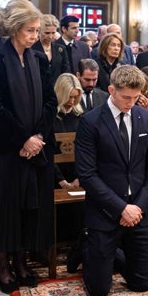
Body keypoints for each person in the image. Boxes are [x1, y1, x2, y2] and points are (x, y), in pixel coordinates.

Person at [0, 0, 57, 294]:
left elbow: (50, 101)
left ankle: (22, 260)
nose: (35, 36)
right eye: (30, 30)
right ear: (13, 29)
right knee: (5, 206)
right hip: (5, 147)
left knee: (29, 206)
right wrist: (23, 138)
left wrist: (37, 138)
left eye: (37, 31)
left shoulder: (38, 58)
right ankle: (3, 263)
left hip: (37, 146)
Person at [74, 65, 148, 296]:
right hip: (104, 212)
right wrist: (121, 208)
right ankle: (88, 249)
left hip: (139, 211)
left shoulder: (147, 118)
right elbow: (87, 175)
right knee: (99, 290)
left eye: (136, 97)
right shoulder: (90, 121)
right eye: (126, 97)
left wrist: (138, 207)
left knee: (142, 284)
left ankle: (112, 255)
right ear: (112, 90)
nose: (131, 102)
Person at [52, 73, 84, 273]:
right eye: (69, 97)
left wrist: (81, 176)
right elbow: (49, 152)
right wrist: (61, 180)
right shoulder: (49, 116)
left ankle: (79, 247)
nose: (72, 101)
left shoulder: (81, 115)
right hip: (54, 175)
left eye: (75, 97)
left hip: (78, 174)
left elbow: (88, 148)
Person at [31, 14, 70, 87]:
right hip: (38, 89)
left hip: (57, 91)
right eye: (47, 33)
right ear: (39, 31)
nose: (50, 36)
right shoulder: (31, 49)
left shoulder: (60, 49)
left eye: (53, 33)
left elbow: (65, 72)